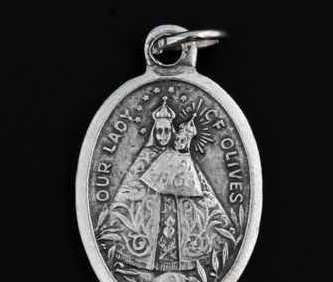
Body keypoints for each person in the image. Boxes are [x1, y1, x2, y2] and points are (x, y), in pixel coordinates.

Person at [99, 99, 235, 271]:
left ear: (172, 132)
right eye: (159, 131)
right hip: (151, 217)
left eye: (166, 131)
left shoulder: (183, 156)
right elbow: (131, 186)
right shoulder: (146, 156)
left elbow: (198, 185)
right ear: (154, 132)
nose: (163, 136)